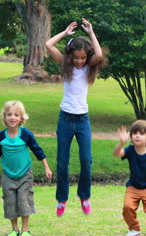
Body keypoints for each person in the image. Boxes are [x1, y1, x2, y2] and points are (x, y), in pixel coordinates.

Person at [45, 18, 106, 216]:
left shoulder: (89, 68)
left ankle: (84, 196)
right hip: (65, 120)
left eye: (82, 58)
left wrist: (91, 33)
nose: (79, 61)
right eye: (76, 58)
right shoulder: (67, 66)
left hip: (82, 121)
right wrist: (65, 33)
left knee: (86, 160)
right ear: (70, 56)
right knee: (62, 162)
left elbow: (98, 54)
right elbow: (48, 44)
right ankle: (62, 199)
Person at [0, 100, 53, 236]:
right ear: (4, 117)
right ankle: (14, 229)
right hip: (8, 175)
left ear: (21, 118)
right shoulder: (1, 136)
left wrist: (46, 167)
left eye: (16, 115)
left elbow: (38, 150)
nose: (12, 117)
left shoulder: (26, 134)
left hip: (25, 174)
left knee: (24, 200)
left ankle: (25, 230)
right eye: (9, 114)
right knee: (10, 201)